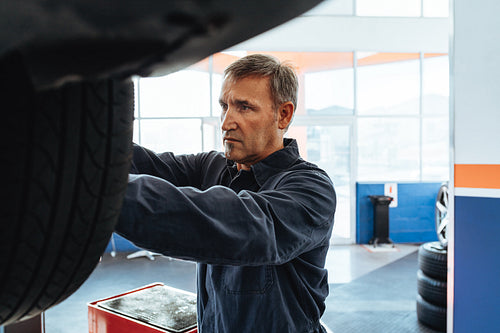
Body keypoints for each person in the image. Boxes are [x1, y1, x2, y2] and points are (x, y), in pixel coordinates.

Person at [116, 54, 336, 332]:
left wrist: (105, 196)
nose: (226, 122)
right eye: (225, 106)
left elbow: (240, 225)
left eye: (244, 107)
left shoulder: (311, 189)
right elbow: (142, 163)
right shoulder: (213, 166)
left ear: (283, 114)